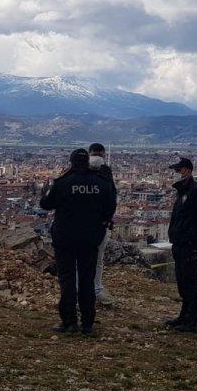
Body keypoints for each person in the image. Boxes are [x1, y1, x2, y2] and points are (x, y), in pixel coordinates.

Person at [39, 148, 117, 336]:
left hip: (65, 238)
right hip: (90, 239)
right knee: (87, 280)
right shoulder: (101, 183)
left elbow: (46, 204)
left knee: (67, 279)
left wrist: (44, 191)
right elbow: (110, 207)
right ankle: (88, 323)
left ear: (72, 163)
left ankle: (69, 322)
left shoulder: (63, 182)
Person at [164, 155, 197, 334]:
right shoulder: (183, 192)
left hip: (189, 244)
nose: (177, 173)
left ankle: (192, 320)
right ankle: (184, 315)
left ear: (188, 170)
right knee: (182, 281)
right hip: (179, 242)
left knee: (190, 282)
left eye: (179, 170)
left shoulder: (196, 192)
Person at [88, 143, 117, 306]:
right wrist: (107, 218)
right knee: (97, 259)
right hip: (99, 224)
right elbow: (112, 200)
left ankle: (82, 290)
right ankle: (96, 289)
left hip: (81, 224)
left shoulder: (79, 171)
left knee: (82, 259)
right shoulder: (106, 174)